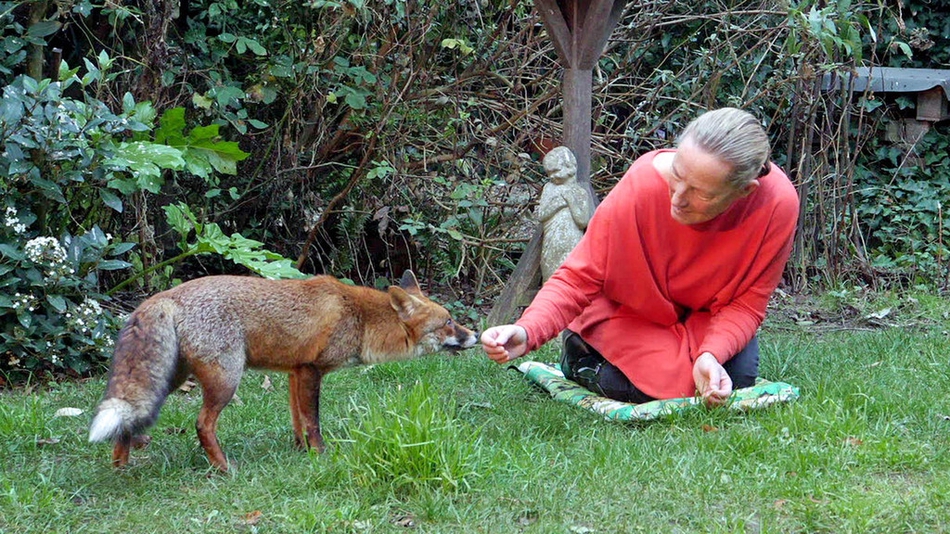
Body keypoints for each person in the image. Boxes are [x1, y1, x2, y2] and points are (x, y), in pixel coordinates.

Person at [482, 107, 799, 405]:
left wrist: (711, 355)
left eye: (702, 193)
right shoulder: (642, 184)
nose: (678, 197)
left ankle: (678, 362)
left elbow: (746, 305)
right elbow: (579, 276)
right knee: (654, 388)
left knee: (733, 377)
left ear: (745, 191)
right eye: (677, 173)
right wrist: (528, 330)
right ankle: (578, 353)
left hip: (701, 320)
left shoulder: (777, 205)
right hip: (627, 314)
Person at [537, 146, 593, 281]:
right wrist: (559, 203)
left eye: (556, 171)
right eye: (549, 173)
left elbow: (583, 221)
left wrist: (570, 200)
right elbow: (542, 215)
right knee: (551, 277)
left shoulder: (580, 192)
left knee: (572, 277)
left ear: (569, 167)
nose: (552, 176)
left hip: (572, 242)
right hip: (552, 241)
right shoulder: (549, 188)